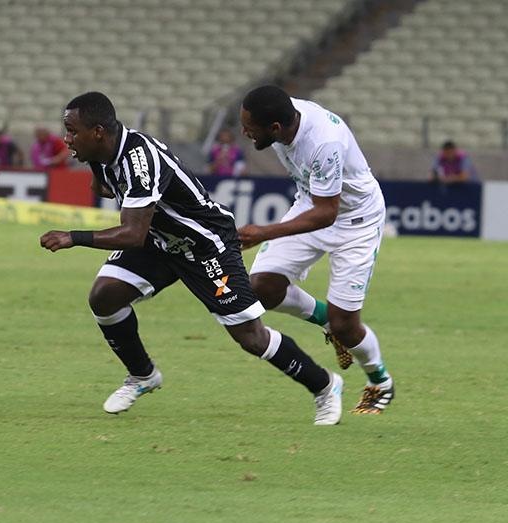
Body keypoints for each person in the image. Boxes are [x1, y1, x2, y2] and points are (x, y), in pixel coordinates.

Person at [40, 91, 344, 425]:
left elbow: (131, 234)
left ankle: (325, 386)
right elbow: (104, 189)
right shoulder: (101, 152)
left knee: (251, 338)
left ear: (97, 131)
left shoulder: (140, 161)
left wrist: (73, 237)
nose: (66, 138)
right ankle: (142, 375)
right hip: (160, 240)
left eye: (71, 131)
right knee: (105, 296)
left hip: (204, 244)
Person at [237, 85, 394, 415]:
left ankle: (380, 383)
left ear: (275, 129)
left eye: (251, 128)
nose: (245, 132)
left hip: (356, 222)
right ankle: (325, 321)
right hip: (311, 204)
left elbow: (329, 213)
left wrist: (265, 231)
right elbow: (319, 206)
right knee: (261, 287)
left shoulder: (322, 141)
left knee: (346, 325)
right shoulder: (283, 114)